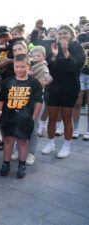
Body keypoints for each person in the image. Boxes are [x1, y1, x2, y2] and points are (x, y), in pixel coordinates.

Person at [41, 25, 85, 158]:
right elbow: (49, 69)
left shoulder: (77, 47)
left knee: (67, 117)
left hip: (70, 87)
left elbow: (76, 67)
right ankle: (50, 143)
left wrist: (66, 52)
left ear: (71, 35)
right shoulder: (54, 48)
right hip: (54, 87)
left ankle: (66, 146)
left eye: (65, 33)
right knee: (52, 117)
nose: (61, 36)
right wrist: (54, 57)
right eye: (59, 34)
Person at [0, 53, 43, 178]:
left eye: (23, 67)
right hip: (9, 117)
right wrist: (0, 113)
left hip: (25, 118)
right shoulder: (7, 82)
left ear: (28, 66)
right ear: (13, 67)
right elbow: (1, 99)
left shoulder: (34, 83)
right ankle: (5, 163)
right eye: (17, 67)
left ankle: (22, 164)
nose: (19, 69)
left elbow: (39, 101)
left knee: (23, 142)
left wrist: (33, 117)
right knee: (8, 141)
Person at [73, 23, 89, 140]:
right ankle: (76, 129)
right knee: (77, 103)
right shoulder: (80, 38)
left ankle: (88, 130)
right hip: (80, 74)